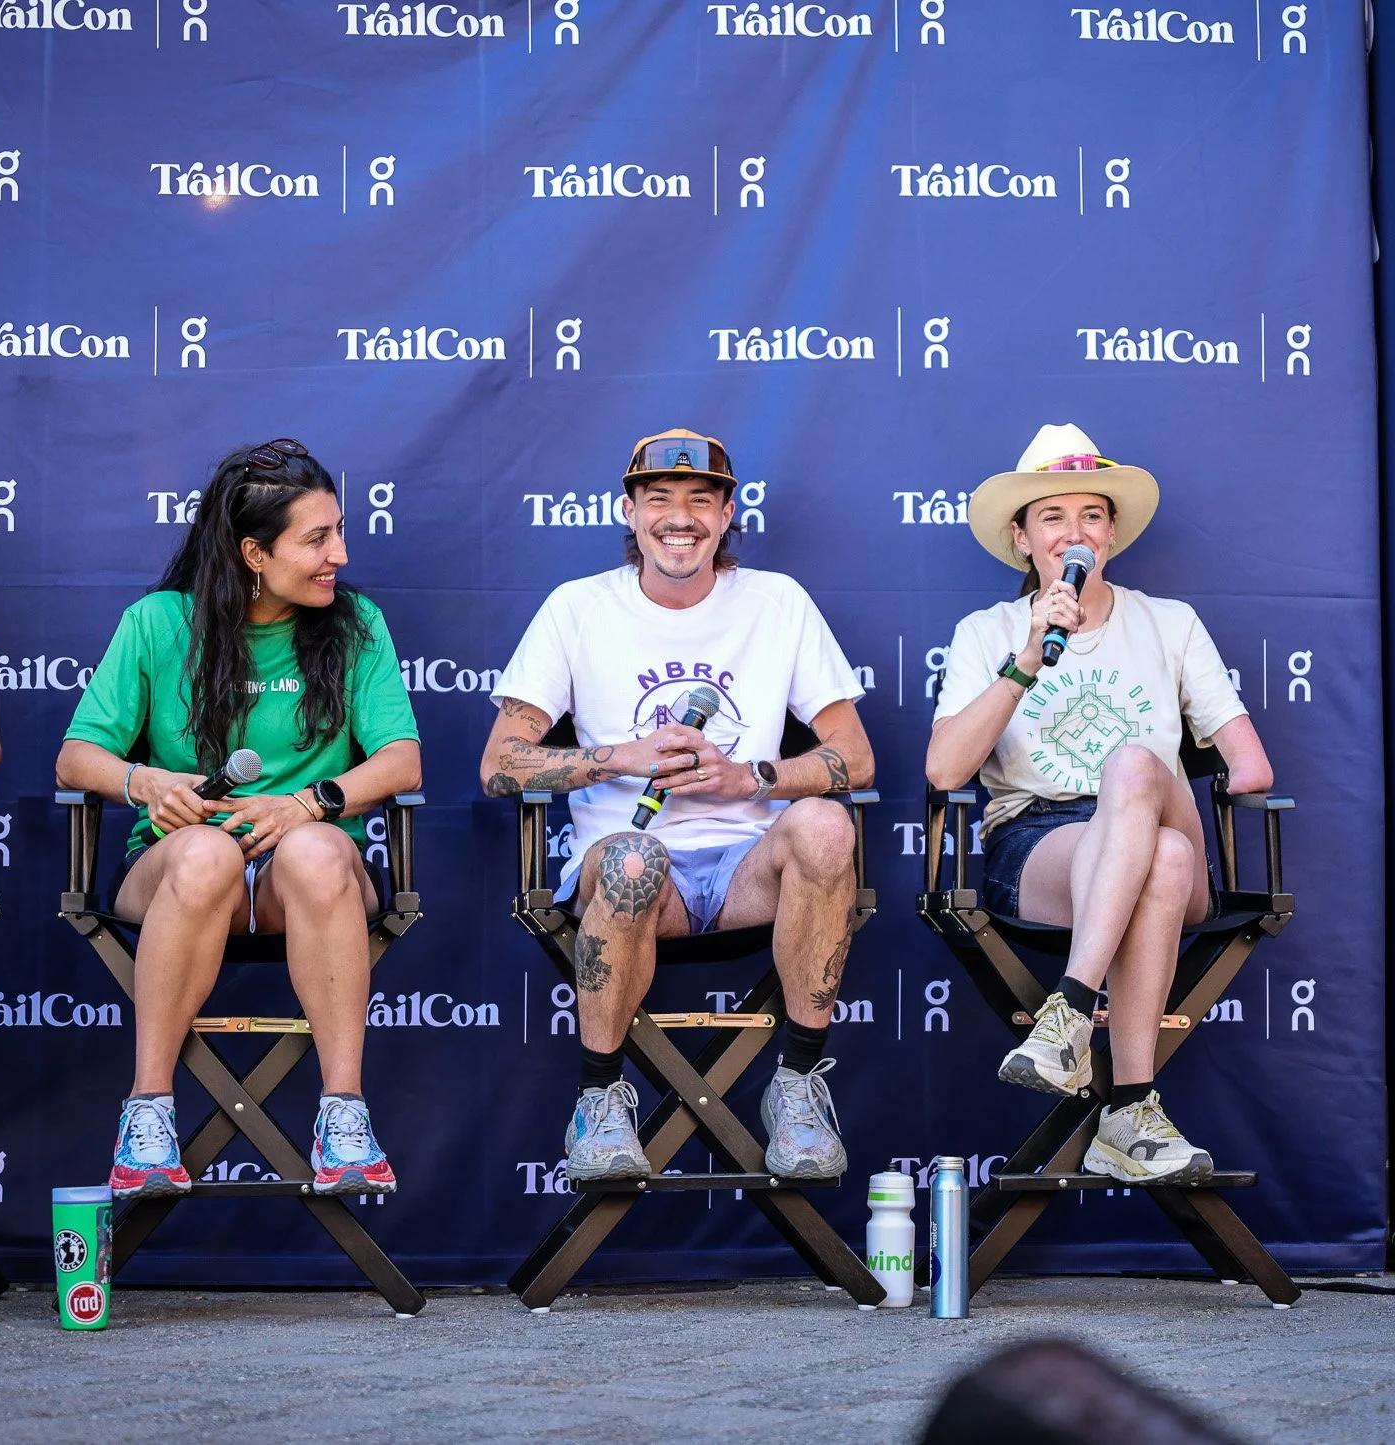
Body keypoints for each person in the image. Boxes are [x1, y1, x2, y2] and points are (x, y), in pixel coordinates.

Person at [481, 428, 874, 1182]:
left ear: (729, 515)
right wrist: (621, 756)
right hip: (631, 870)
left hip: (747, 872)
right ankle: (599, 1099)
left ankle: (796, 1088)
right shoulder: (577, 608)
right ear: (629, 512)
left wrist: (749, 778)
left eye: (701, 500)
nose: (680, 518)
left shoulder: (777, 601)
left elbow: (854, 757)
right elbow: (499, 764)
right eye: (659, 499)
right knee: (635, 855)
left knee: (827, 824)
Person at [55, 439, 420, 1200]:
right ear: (254, 551)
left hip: (308, 878)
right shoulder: (159, 622)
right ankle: (148, 1115)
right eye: (317, 539)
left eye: (338, 531)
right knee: (203, 854)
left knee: (315, 851)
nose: (339, 555)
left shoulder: (355, 624)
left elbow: (401, 763)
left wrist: (305, 803)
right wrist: (147, 781)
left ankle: (344, 1115)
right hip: (175, 869)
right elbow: (76, 757)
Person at [925, 424, 1273, 1183]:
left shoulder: (1169, 623)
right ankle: (1132, 1110)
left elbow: (1250, 766)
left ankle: (1069, 1012)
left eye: (1091, 515)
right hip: (1043, 843)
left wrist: (1156, 783)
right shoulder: (988, 631)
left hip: (1155, 805)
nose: (1073, 532)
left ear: (1111, 532)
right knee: (1167, 857)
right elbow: (946, 767)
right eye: (1052, 517)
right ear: (1022, 538)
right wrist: (1026, 659)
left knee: (1138, 770)